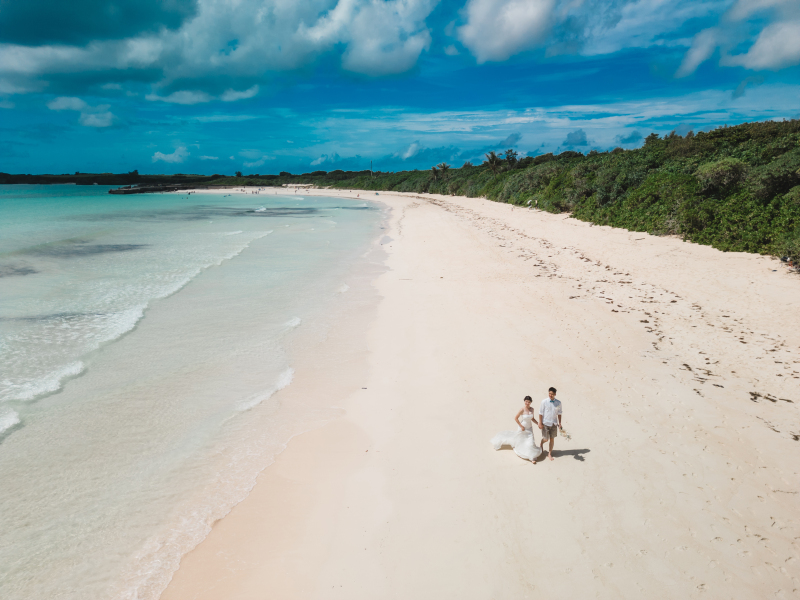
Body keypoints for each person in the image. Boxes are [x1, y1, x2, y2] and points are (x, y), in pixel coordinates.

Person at [491, 396, 542, 462]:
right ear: (524, 401)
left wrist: (538, 423)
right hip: (522, 428)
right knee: (522, 442)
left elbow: (532, 418)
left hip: (529, 428)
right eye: (526, 401)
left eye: (529, 402)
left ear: (531, 402)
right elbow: (516, 418)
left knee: (531, 443)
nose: (527, 403)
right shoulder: (522, 409)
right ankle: (531, 458)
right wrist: (521, 426)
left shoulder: (532, 409)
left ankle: (531, 456)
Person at [537, 387, 562, 462]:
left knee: (552, 439)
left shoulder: (558, 403)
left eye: (552, 394)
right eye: (549, 393)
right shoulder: (544, 402)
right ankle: (541, 443)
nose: (550, 395)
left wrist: (560, 423)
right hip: (545, 423)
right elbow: (540, 413)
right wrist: (540, 422)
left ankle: (549, 453)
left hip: (554, 423)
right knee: (546, 439)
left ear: (555, 394)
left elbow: (559, 413)